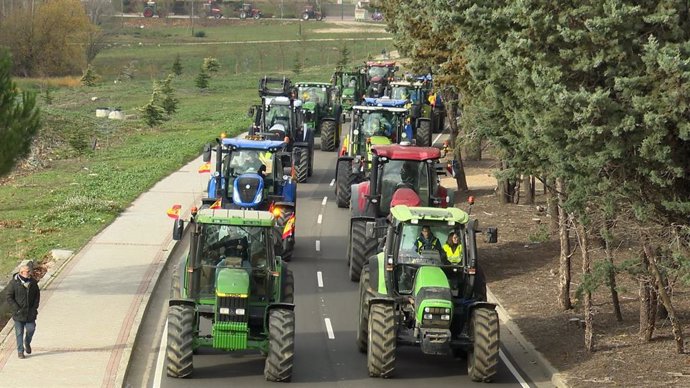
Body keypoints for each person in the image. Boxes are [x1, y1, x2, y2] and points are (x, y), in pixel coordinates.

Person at [6, 264, 40, 359]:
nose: (30, 273)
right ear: (21, 273)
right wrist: (16, 308)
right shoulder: (14, 283)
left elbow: (37, 295)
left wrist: (34, 308)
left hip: (30, 313)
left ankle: (27, 342)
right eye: (28, 271)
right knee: (19, 333)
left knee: (31, 329)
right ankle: (20, 351)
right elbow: (9, 296)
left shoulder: (33, 282)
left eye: (30, 271)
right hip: (18, 314)